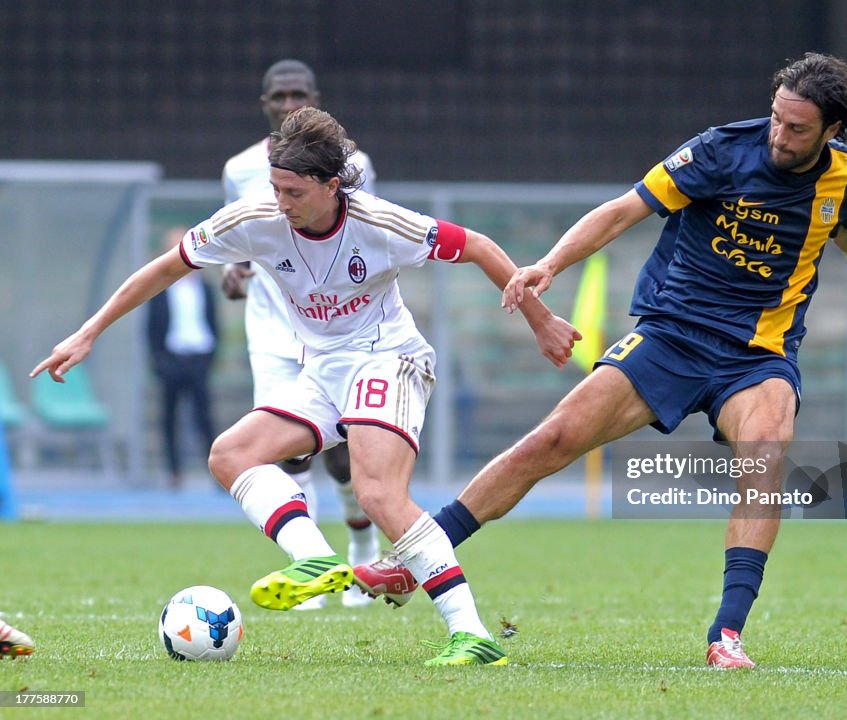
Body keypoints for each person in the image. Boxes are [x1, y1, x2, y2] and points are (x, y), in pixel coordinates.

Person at [352, 52, 847, 668]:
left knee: (765, 458)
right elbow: (622, 210)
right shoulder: (720, 151)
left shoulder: (845, 176)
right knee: (551, 440)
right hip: (673, 336)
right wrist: (549, 264)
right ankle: (418, 559)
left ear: (832, 131)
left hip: (759, 354)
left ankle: (726, 636)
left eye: (797, 128)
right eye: (777, 118)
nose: (779, 134)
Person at [31, 106, 580, 667]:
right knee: (231, 454)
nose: (281, 203)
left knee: (376, 493)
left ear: (332, 186)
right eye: (275, 188)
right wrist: (88, 331)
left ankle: (472, 634)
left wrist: (540, 321)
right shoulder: (253, 219)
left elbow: (482, 248)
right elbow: (168, 266)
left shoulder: (381, 224)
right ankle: (315, 557)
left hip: (389, 360)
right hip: (321, 369)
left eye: (293, 192)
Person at [221, 59, 378, 609]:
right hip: (271, 330)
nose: (288, 103)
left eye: (298, 94)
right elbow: (238, 241)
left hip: (335, 331)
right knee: (284, 455)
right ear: (264, 103)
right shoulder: (240, 169)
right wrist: (234, 272)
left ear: (315, 96)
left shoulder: (354, 165)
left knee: (342, 455)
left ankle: (361, 542)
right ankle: (309, 565)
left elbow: (361, 236)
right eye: (278, 96)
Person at [146, 226, 220, 489]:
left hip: (199, 357)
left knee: (205, 418)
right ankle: (174, 472)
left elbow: (213, 322)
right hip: (172, 358)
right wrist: (159, 360)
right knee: (170, 418)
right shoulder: (160, 289)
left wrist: (211, 355)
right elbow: (152, 327)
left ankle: (215, 470)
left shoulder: (206, 287)